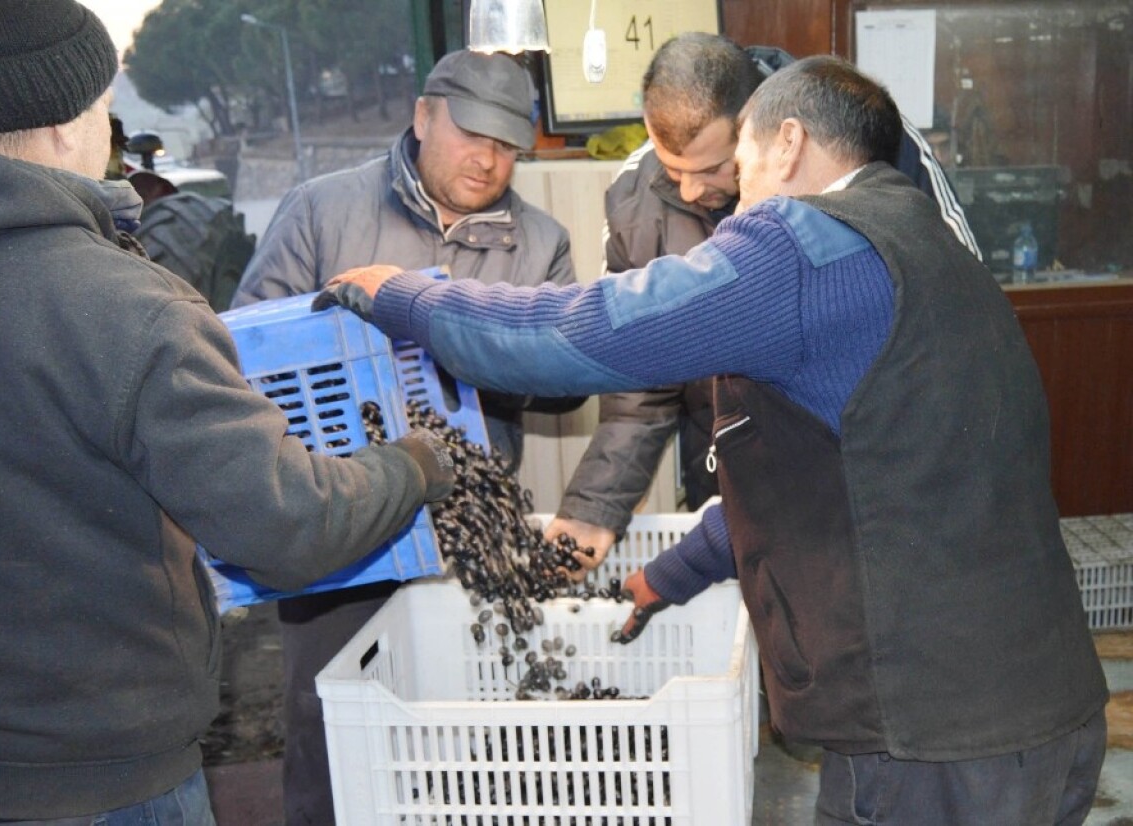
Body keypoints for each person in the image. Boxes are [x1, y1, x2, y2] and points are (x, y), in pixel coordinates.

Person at [316, 56, 1109, 825]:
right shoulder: (936, 251)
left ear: (789, 143)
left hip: (930, 748)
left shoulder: (802, 249)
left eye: (741, 162)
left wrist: (407, 297)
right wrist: (671, 575)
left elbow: (578, 334)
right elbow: (858, 480)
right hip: (1049, 716)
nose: (729, 196)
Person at [0, 1, 454, 823]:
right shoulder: (122, 306)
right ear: (69, 123)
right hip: (102, 784)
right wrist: (411, 465)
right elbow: (286, 528)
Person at [231, 48, 581, 825]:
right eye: (471, 135)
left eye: (506, 145)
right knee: (333, 719)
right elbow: (245, 349)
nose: (488, 160)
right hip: (342, 520)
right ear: (423, 116)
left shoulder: (542, 243)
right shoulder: (323, 210)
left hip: (465, 523)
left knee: (467, 725)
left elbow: (565, 381)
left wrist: (472, 335)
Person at [548, 33, 982, 563]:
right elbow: (640, 378)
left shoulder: (865, 138)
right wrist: (596, 504)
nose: (688, 191)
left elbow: (956, 313)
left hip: (872, 479)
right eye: (673, 170)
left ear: (767, 132)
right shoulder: (635, 194)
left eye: (711, 170)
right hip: (729, 479)